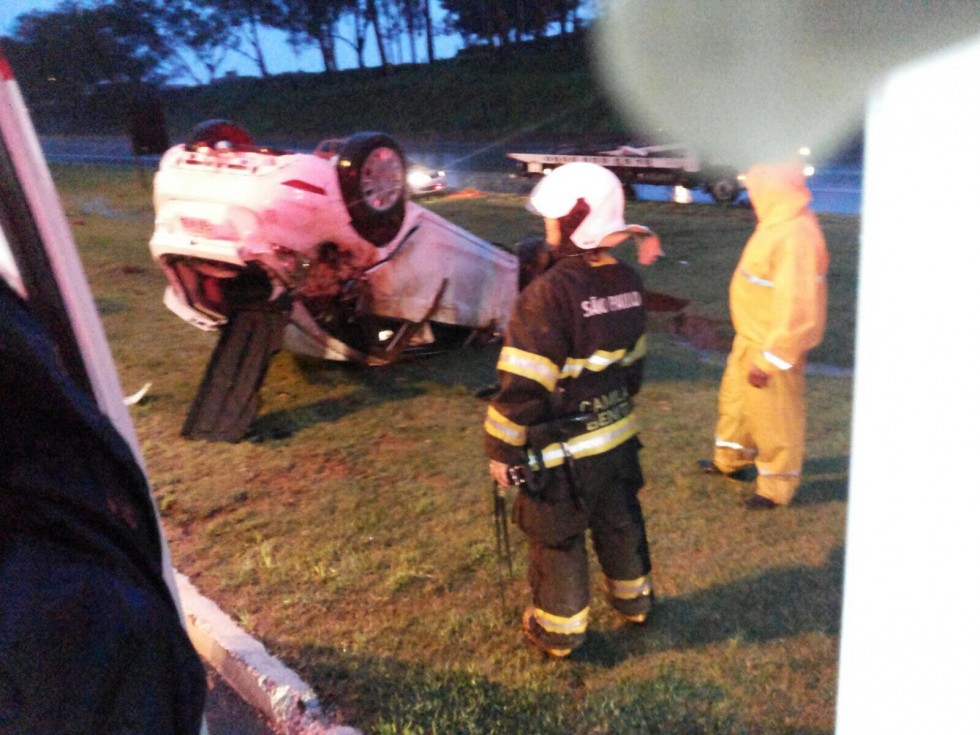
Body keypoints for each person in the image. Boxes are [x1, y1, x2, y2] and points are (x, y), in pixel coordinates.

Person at [483, 162, 663, 658]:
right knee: (621, 520)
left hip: (563, 454)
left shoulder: (547, 295)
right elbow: (634, 367)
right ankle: (636, 602)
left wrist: (502, 449)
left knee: (557, 537)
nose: (546, 230)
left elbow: (523, 384)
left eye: (551, 220)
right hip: (618, 438)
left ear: (573, 219)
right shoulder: (627, 279)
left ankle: (559, 633)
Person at [700, 160, 829, 509]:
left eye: (756, 187)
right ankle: (730, 461)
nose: (751, 193)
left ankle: (775, 486)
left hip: (772, 347)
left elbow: (799, 306)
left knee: (775, 419)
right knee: (737, 406)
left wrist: (773, 358)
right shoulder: (777, 223)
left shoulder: (794, 234)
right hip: (750, 338)